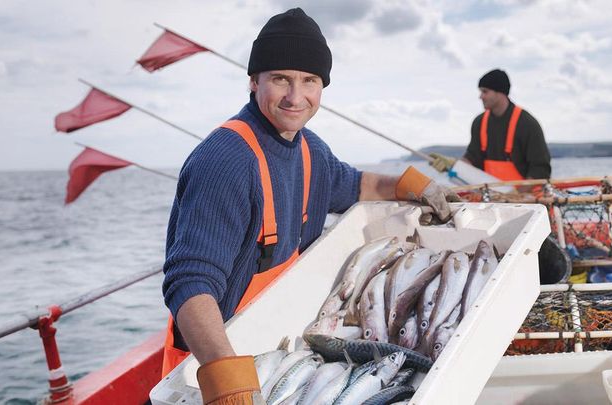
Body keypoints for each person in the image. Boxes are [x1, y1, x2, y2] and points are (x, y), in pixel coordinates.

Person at [162, 8, 458, 404]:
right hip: (209, 367)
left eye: (309, 81)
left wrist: (410, 185)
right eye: (281, 78)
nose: (295, 96)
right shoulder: (225, 162)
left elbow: (353, 184)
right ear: (253, 81)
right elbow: (191, 284)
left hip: (282, 348)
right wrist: (225, 379)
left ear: (323, 87)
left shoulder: (309, 150)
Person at [431, 69, 551, 181]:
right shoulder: (479, 122)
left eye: (485, 91)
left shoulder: (527, 124)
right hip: (492, 196)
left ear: (500, 93)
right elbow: (473, 159)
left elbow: (540, 169)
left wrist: (518, 195)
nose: (480, 96)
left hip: (526, 200)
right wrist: (452, 165)